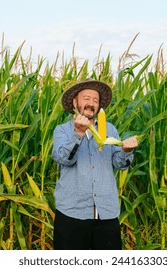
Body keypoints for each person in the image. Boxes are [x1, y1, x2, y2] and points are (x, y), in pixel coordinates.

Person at [52, 78, 138, 250]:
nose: (91, 103)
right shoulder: (63, 130)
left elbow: (119, 164)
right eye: (86, 98)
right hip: (72, 214)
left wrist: (126, 151)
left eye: (95, 100)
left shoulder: (110, 129)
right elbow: (63, 159)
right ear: (75, 102)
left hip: (106, 214)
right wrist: (78, 133)